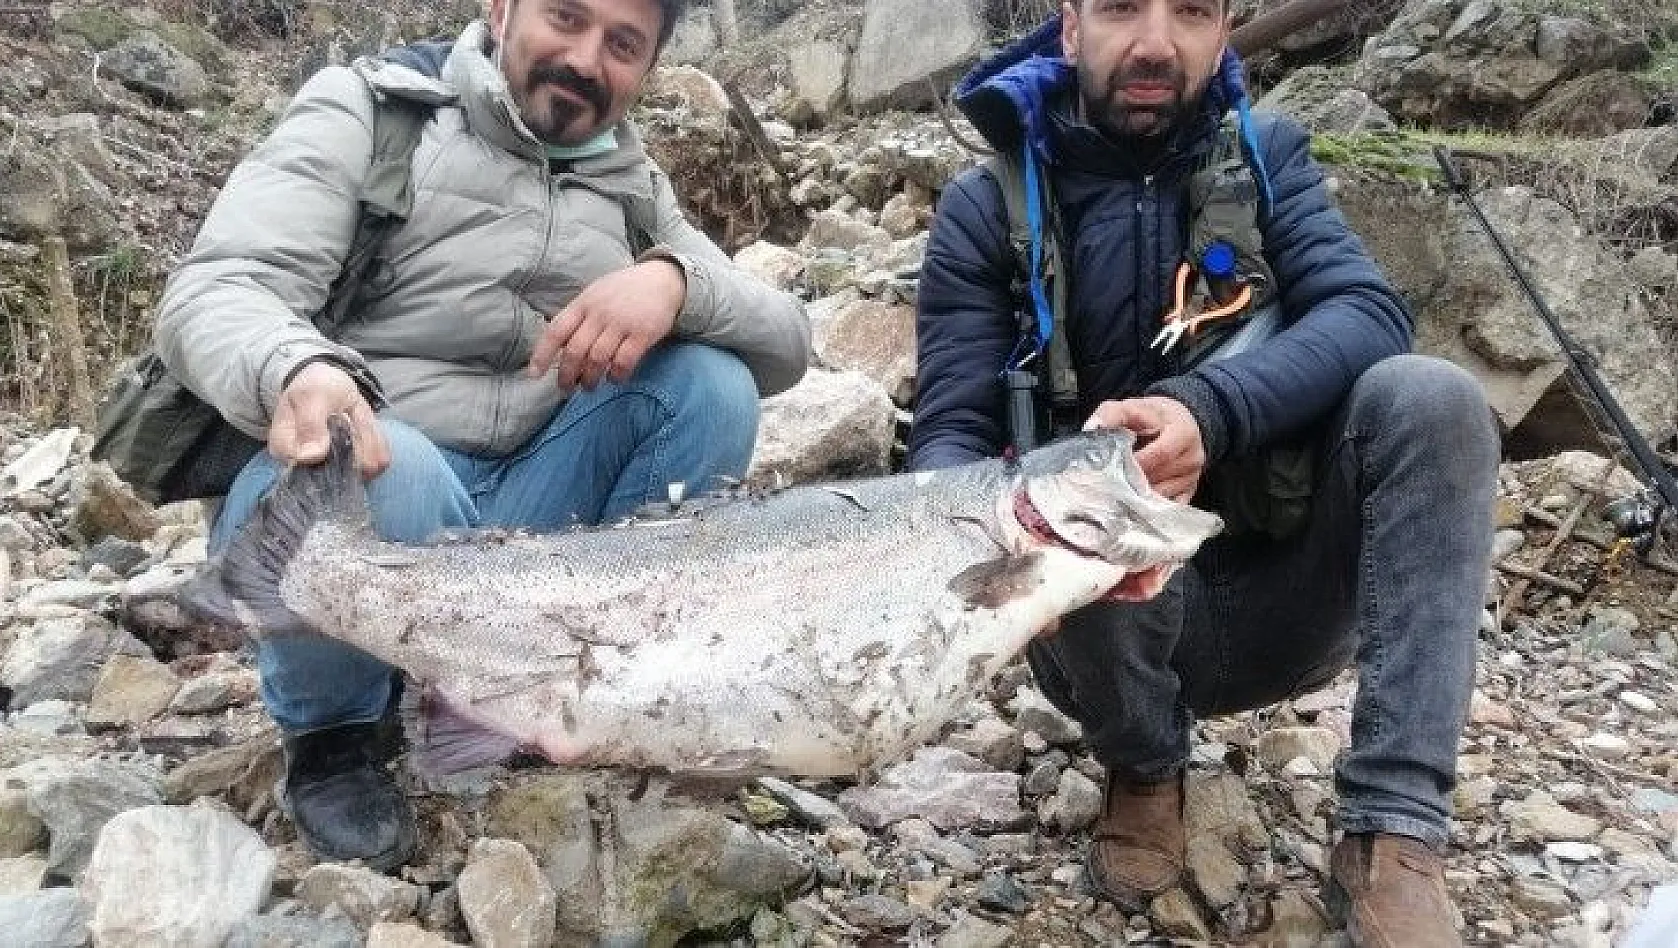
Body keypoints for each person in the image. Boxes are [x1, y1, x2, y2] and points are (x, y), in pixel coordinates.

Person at [153, 0, 809, 871]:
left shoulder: (633, 184)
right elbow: (218, 288)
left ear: (647, 69)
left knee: (712, 388)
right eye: (566, 18)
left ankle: (578, 691)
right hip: (380, 486)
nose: (584, 59)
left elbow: (789, 343)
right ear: (501, 9)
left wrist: (676, 280)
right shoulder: (373, 114)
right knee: (389, 469)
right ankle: (339, 735)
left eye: (622, 44)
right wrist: (296, 368)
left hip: (530, 513)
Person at [911, 2, 1496, 945]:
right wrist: (992, 559)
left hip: (1286, 600)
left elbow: (1366, 311)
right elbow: (947, 431)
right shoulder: (985, 208)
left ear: (1223, 32)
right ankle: (1143, 768)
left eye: (1189, 11)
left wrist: (1210, 414)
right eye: (1119, 9)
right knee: (1085, 490)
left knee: (1434, 397)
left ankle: (1394, 831)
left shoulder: (1268, 159)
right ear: (1069, 32)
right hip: (1093, 629)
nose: (1154, 42)